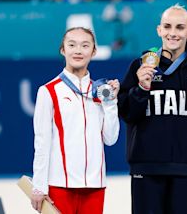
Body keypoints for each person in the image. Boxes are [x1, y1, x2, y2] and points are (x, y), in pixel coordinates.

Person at [118, 4, 187, 214]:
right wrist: (142, 88)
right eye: (168, 26)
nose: (173, 33)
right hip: (146, 167)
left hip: (186, 169)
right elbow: (127, 113)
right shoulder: (140, 67)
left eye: (180, 27)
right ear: (159, 30)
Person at [31, 27, 120, 213]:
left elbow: (110, 139)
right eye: (72, 45)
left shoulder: (100, 91)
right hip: (60, 186)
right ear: (63, 50)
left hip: (95, 186)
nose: (78, 50)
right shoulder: (48, 91)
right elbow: (42, 142)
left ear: (93, 51)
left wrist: (111, 103)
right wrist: (39, 186)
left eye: (85, 45)